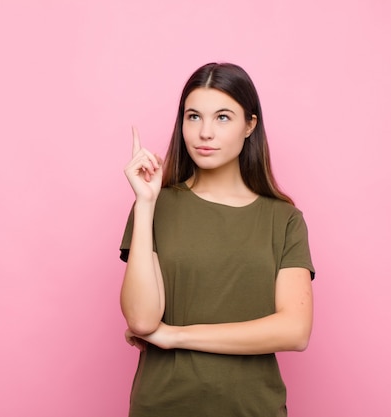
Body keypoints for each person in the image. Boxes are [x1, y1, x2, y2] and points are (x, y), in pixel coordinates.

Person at [119, 62, 315, 417]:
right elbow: (143, 321)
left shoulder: (283, 220)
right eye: (193, 117)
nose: (204, 132)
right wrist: (146, 204)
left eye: (222, 117)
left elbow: (294, 330)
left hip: (254, 409)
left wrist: (176, 336)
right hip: (163, 406)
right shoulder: (156, 206)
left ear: (249, 125)